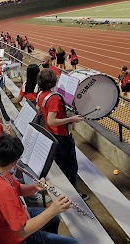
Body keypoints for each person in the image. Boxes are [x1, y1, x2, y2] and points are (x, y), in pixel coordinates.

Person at [0, 133, 79, 244]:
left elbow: (17, 189)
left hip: (17, 216)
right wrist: (53, 210)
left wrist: (34, 187)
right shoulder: (3, 192)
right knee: (73, 242)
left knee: (54, 219)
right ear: (14, 163)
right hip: (15, 238)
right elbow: (21, 231)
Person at [36, 69, 88, 200]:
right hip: (62, 136)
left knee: (61, 164)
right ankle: (74, 196)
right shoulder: (54, 98)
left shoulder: (40, 94)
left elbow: (39, 110)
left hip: (51, 135)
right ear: (53, 82)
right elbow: (51, 120)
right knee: (70, 167)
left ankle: (65, 192)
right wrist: (71, 119)